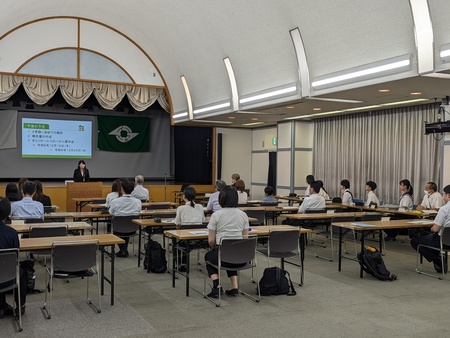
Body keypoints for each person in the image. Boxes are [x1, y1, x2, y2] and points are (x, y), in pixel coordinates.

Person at [205, 185, 249, 298]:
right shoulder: (243, 215)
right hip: (242, 258)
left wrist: (213, 248)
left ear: (221, 199)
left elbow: (211, 240)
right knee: (231, 251)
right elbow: (245, 239)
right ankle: (234, 286)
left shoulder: (216, 215)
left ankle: (217, 286)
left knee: (209, 256)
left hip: (223, 258)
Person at [411, 184, 450, 273]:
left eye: (444, 194)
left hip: (444, 241)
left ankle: (437, 260)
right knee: (429, 238)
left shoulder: (445, 209)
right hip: (446, 239)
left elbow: (435, 229)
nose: (443, 196)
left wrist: (431, 230)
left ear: (448, 195)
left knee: (415, 241)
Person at [0, 197, 27, 318]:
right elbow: (15, 257)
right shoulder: (12, 233)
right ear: (7, 213)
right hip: (8, 277)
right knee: (20, 271)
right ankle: (20, 307)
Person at [109, 178, 142, 257]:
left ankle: (123, 250)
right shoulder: (138, 202)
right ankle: (123, 250)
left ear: (122, 189)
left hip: (118, 229)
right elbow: (138, 212)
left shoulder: (115, 201)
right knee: (126, 226)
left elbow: (111, 212)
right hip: (133, 228)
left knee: (121, 228)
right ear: (133, 189)